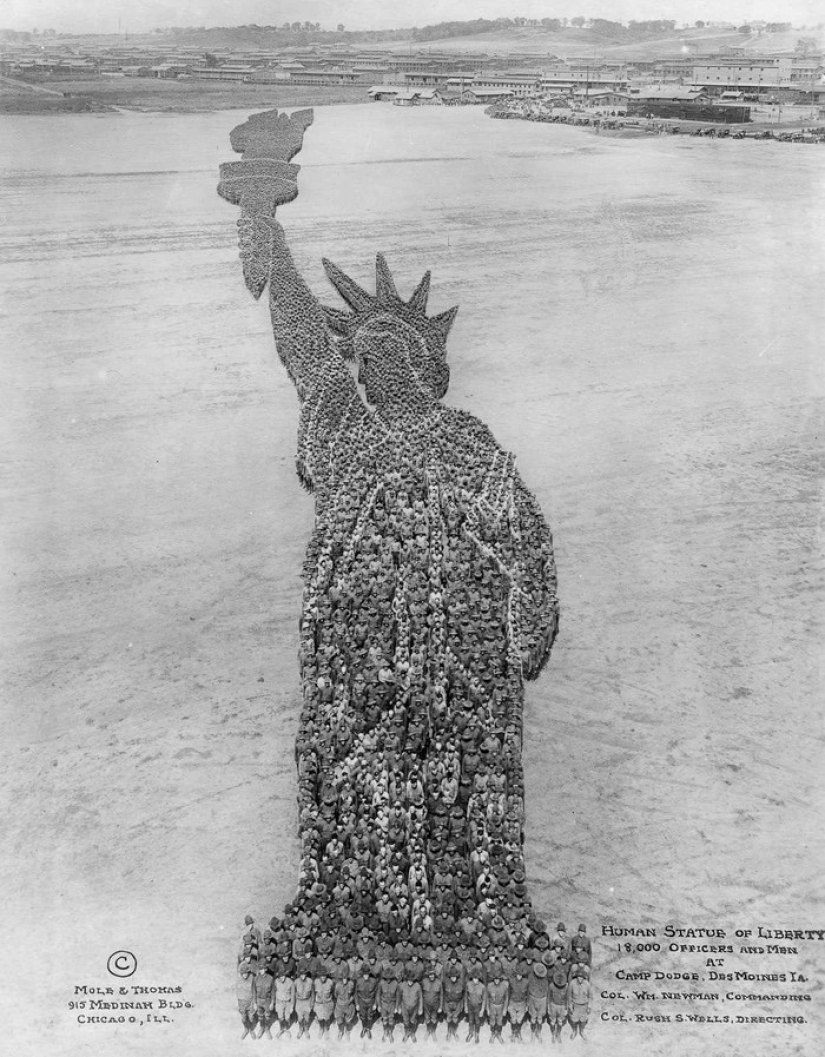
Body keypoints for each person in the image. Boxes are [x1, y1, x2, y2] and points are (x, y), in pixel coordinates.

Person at [355, 961, 379, 1038]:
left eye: (367, 974)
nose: (366, 976)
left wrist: (375, 1003)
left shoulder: (374, 981)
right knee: (362, 1016)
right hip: (361, 1001)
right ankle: (364, 1027)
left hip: (370, 1001)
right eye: (364, 974)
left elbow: (376, 992)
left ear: (369, 973)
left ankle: (368, 1029)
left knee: (369, 1016)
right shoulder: (359, 981)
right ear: (362, 974)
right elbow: (356, 993)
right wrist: (357, 1004)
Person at [486, 966, 509, 1043]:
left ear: (500, 979)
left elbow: (506, 998)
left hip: (501, 1006)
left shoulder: (504, 987)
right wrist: (488, 1009)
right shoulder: (489, 986)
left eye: (498, 979)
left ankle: (498, 1034)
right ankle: (492, 1034)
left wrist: (505, 1009)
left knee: (499, 1021)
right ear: (493, 979)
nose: (496, 980)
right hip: (492, 1005)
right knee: (492, 1021)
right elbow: (487, 998)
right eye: (495, 979)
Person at [568, 967, 591, 1039]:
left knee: (583, 1020)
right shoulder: (572, 983)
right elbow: (569, 995)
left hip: (584, 1005)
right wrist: (570, 1005)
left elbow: (590, 996)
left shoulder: (587, 984)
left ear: (584, 977)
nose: (580, 979)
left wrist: (589, 1006)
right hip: (576, 1005)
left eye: (581, 977)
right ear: (576, 977)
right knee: (574, 1019)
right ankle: (574, 1031)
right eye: (578, 977)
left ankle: (581, 1031)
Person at [527, 962, 549, 1039]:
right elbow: (528, 988)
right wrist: (528, 1002)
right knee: (533, 1018)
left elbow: (546, 992)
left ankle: (538, 1032)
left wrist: (545, 1003)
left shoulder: (545, 980)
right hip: (532, 998)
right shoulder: (530, 977)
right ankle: (533, 1033)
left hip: (542, 999)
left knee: (540, 1018)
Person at [236, 959, 257, 1040]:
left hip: (250, 1001)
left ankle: (251, 1029)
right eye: (243, 974)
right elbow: (237, 991)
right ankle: (246, 1029)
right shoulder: (238, 979)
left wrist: (254, 1003)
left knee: (251, 1017)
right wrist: (237, 1003)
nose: (245, 975)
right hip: (242, 1002)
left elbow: (254, 991)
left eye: (246, 973)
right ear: (241, 973)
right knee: (244, 1018)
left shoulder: (252, 978)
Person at [273, 964, 296, 1037]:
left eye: (283, 976)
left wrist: (292, 1006)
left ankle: (287, 1029)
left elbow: (293, 995)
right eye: (280, 976)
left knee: (287, 1017)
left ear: (285, 975)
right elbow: (274, 992)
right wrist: (276, 1004)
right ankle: (281, 1029)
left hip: (288, 1002)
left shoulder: (290, 982)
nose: (282, 978)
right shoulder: (276, 981)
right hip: (279, 1002)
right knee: (280, 1017)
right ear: (278, 976)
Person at [334, 967, 356, 1039]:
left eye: (346, 978)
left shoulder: (351, 984)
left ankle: (347, 1031)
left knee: (348, 1020)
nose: (345, 980)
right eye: (343, 978)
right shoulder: (337, 985)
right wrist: (340, 1001)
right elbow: (335, 995)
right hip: (340, 1005)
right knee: (339, 1019)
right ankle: (340, 1031)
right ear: (341, 978)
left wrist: (350, 1001)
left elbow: (353, 994)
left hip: (348, 1004)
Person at [254, 962, 275, 1039]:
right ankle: (262, 1028)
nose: (261, 971)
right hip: (259, 1000)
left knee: (267, 1016)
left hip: (267, 1000)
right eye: (260, 969)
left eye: (263, 969)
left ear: (265, 969)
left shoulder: (270, 978)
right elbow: (254, 991)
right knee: (260, 1016)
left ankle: (267, 1029)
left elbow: (273, 991)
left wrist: (272, 1002)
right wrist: (254, 1003)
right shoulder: (255, 979)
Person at [465, 969, 486, 1044]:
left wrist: (482, 1010)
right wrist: (466, 1007)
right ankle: (471, 1033)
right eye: (474, 978)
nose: (475, 980)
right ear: (472, 978)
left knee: (477, 1021)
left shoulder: (482, 986)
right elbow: (466, 996)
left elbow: (484, 999)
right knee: (470, 1020)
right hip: (470, 1005)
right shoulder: (468, 984)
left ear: (479, 978)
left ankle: (477, 1034)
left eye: (476, 978)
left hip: (478, 1006)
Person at [422, 964, 443, 1039]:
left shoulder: (439, 982)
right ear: (428, 975)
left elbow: (441, 995)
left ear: (435, 975)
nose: (431, 976)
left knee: (433, 1018)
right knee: (427, 1018)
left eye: (433, 975)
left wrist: (440, 1007)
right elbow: (421, 994)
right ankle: (428, 1030)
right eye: (430, 975)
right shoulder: (424, 981)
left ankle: (433, 1031)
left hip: (435, 1004)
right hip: (426, 1004)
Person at [294, 961, 314, 1037]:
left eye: (304, 974)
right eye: (301, 974)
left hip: (307, 1001)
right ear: (299, 974)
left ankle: (306, 1030)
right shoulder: (296, 982)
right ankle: (300, 1029)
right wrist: (294, 1004)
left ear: (306, 974)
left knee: (307, 1017)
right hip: (299, 1002)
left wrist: (312, 1003)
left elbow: (313, 993)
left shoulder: (310, 981)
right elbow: (293, 994)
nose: (302, 976)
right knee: (300, 1018)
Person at [548, 968, 569, 1043]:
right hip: (553, 1005)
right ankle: (553, 1035)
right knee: (553, 1021)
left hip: (562, 1006)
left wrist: (566, 1008)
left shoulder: (566, 986)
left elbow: (567, 997)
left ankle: (558, 1034)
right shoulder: (551, 986)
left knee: (560, 1021)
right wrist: (548, 1007)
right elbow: (549, 997)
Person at [313, 967, 335, 1037]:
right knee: (320, 1017)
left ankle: (326, 1030)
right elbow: (313, 993)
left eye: (324, 976)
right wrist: (313, 1003)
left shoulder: (330, 982)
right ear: (319, 976)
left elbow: (333, 992)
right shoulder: (315, 982)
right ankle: (321, 1029)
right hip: (319, 1003)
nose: (323, 977)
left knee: (326, 1017)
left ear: (326, 976)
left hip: (327, 1003)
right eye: (321, 976)